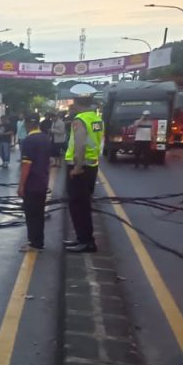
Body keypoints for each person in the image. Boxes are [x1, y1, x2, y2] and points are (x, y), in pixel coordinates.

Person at [63, 85, 103, 253]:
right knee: (84, 205)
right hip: (92, 166)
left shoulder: (79, 120)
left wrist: (77, 168)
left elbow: (79, 145)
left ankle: (86, 241)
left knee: (78, 206)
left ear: (76, 101)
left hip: (80, 168)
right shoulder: (96, 118)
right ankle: (82, 238)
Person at [18, 117, 53, 251]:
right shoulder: (45, 138)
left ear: (27, 125)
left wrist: (21, 185)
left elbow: (26, 165)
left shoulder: (29, 140)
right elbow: (48, 161)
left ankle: (34, 243)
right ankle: (39, 241)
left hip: (32, 183)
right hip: (42, 181)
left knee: (31, 214)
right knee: (39, 213)